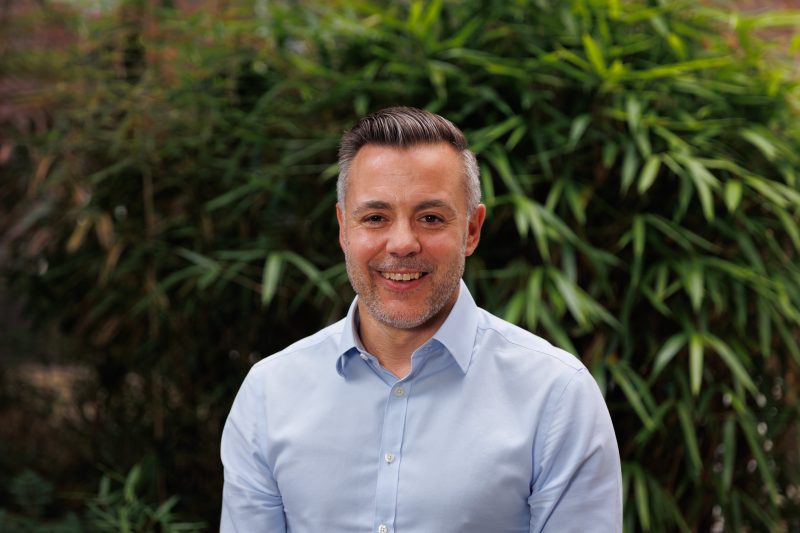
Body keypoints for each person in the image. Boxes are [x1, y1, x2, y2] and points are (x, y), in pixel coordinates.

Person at [220, 106, 622, 532]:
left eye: (430, 218)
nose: (402, 243)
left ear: (471, 230)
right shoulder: (268, 395)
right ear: (343, 229)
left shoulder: (556, 397)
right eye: (375, 218)